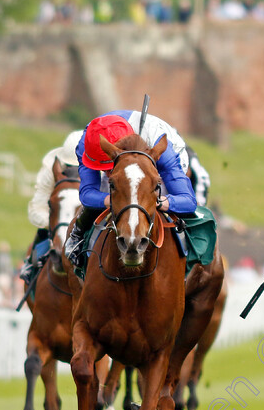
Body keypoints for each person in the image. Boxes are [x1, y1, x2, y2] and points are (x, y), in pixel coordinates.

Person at [64, 110, 196, 269]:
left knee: (150, 195)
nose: (106, 173)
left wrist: (160, 202)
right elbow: (86, 195)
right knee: (115, 191)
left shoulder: (165, 154)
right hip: (115, 149)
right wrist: (115, 199)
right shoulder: (87, 142)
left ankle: (192, 260)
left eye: (109, 169)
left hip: (162, 154)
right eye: (104, 169)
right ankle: (77, 236)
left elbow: (188, 201)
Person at [19, 129, 82, 284]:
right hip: (55, 222)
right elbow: (36, 208)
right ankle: (31, 268)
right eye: (68, 167)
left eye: (79, 167)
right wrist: (57, 225)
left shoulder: (102, 171)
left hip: (85, 221)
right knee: (43, 235)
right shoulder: (50, 172)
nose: (72, 172)